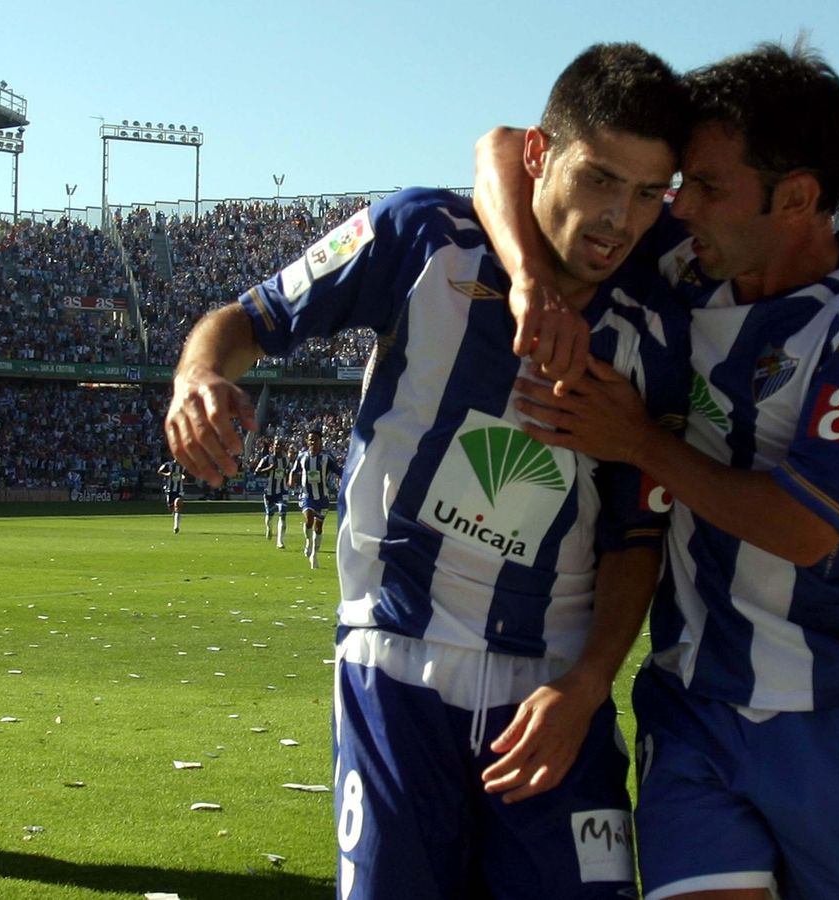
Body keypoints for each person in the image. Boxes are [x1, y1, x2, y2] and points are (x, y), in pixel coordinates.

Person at [165, 43, 691, 900]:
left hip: (553, 690)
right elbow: (245, 318)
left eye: (645, 194)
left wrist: (590, 683)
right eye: (598, 179)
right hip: (396, 666)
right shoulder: (420, 236)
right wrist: (199, 375)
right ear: (538, 155)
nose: (618, 219)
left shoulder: (658, 325)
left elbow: (638, 534)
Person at [474, 41, 839, 900]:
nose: (679, 209)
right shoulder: (683, 269)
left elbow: (804, 528)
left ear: (795, 198)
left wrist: (641, 443)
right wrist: (532, 281)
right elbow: (503, 147)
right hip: (692, 709)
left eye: (710, 188)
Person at [287, 429, 339, 569]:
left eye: (315, 439)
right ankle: (308, 542)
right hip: (307, 496)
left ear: (320, 441)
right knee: (309, 518)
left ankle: (314, 555)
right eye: (310, 439)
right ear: (306, 441)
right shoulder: (302, 456)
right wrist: (291, 479)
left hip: (322, 497)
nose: (312, 442)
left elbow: (338, 471)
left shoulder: (326, 458)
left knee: (318, 527)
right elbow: (294, 470)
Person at [254, 436, 290, 548]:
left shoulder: (286, 460)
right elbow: (256, 472)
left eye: (280, 445)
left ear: (283, 447)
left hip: (282, 492)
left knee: (283, 514)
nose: (278, 446)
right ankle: (269, 529)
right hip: (269, 493)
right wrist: (269, 468)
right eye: (276, 444)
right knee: (269, 516)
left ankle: (280, 541)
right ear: (272, 446)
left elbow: (289, 472)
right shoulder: (266, 459)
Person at [158, 459, 187, 533]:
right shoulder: (168, 465)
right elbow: (159, 471)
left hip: (179, 490)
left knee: (177, 504)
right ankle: (176, 518)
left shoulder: (184, 466)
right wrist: (167, 474)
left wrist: (184, 477)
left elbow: (187, 475)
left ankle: (176, 526)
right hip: (169, 490)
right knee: (171, 508)